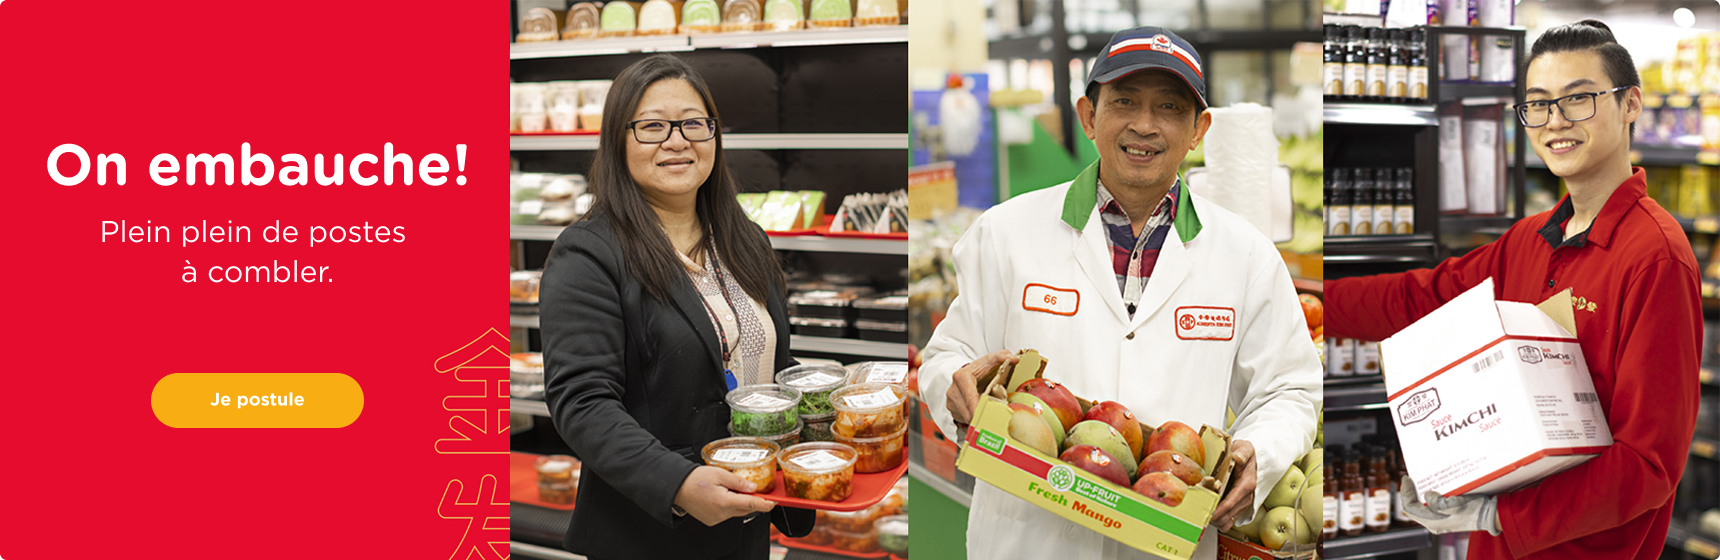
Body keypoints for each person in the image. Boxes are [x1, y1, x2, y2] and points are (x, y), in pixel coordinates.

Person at [919, 26, 1322, 560]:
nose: (1145, 125)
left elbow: (1289, 390)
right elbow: (947, 355)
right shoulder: (1006, 233)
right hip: (1028, 539)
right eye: (1125, 101)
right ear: (1088, 115)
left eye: (1170, 107)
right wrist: (954, 385)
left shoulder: (1247, 255)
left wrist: (1258, 453)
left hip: (1167, 537)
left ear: (1199, 128)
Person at [1326, 20, 1699, 560]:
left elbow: (1648, 465)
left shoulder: (1655, 258)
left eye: (1579, 100)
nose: (1555, 122)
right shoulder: (1531, 240)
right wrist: (1308, 300)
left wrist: (1496, 513)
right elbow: (1419, 298)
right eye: (1539, 105)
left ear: (1631, 104)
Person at [537, 54, 814, 560]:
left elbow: (773, 366)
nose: (677, 140)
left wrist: (828, 420)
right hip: (647, 533)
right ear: (618, 141)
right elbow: (583, 403)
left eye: (693, 123)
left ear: (714, 136)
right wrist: (679, 483)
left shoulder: (744, 239)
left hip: (746, 522)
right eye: (652, 126)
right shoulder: (588, 253)